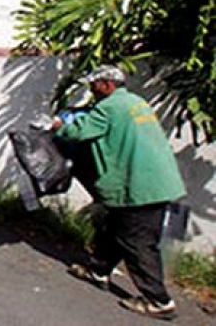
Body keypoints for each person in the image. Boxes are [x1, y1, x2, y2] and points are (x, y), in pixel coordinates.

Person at [52, 65, 186, 320]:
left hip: (138, 185)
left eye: (94, 84)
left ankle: (158, 301)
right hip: (159, 181)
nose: (91, 88)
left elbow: (80, 131)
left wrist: (59, 125)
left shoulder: (108, 107)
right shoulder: (136, 103)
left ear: (107, 84)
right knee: (114, 227)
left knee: (138, 241)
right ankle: (99, 270)